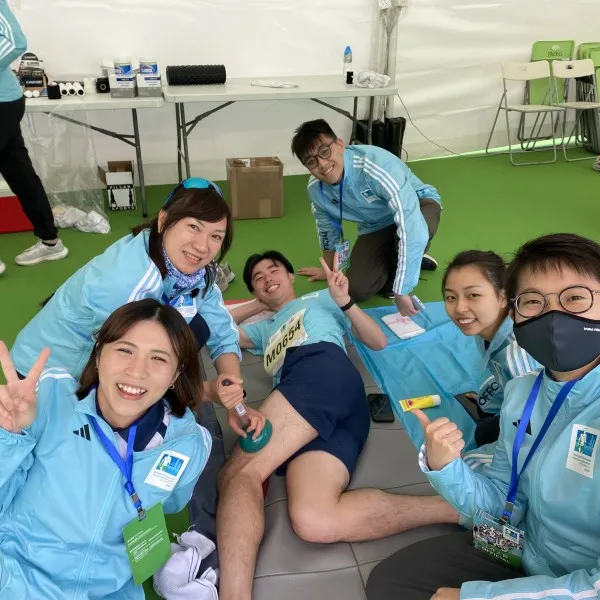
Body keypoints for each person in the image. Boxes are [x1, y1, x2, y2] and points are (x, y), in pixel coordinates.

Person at [367, 233, 600, 600]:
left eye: (575, 297)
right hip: (524, 545)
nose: (553, 316)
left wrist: (476, 597)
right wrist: (446, 468)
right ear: (514, 310)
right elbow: (502, 498)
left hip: (579, 580)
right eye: (534, 301)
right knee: (390, 582)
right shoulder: (523, 393)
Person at [216, 250, 461, 600]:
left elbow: (377, 341)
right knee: (314, 519)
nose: (268, 277)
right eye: (258, 277)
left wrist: (345, 302)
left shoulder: (322, 297)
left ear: (291, 275)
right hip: (329, 408)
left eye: (274, 270)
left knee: (240, 473)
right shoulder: (263, 328)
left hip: (319, 371)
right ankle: (456, 509)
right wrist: (259, 303)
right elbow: (214, 324)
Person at [10, 177, 264, 438]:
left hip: (99, 353)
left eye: (215, 236)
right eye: (193, 227)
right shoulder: (128, 283)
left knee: (195, 327)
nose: (202, 246)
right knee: (136, 391)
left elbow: (221, 330)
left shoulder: (194, 270)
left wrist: (234, 399)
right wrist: (206, 391)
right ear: (164, 221)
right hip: (45, 375)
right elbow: (121, 370)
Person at [0, 299, 213, 599]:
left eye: (158, 358)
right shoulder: (50, 398)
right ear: (99, 355)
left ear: (175, 376)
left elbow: (172, 504)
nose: (137, 371)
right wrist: (8, 435)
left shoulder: (189, 444)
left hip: (109, 592)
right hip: (14, 578)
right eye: (125, 350)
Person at [291, 118, 442, 315]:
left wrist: (401, 291)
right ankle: (405, 257)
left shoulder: (377, 166)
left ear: (340, 144)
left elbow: (411, 228)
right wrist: (330, 271)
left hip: (418, 205)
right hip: (376, 224)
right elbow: (327, 229)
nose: (322, 164)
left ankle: (407, 259)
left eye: (325, 151)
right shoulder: (316, 190)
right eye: (311, 161)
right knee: (357, 289)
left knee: (411, 241)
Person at [443, 250, 539, 448]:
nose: (459, 308)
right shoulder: (486, 329)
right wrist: (489, 398)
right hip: (523, 392)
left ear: (503, 297)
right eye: (451, 297)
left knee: (484, 434)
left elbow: (535, 424)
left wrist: (473, 461)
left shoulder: (518, 354)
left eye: (473, 295)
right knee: (485, 405)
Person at [0, 0, 68, 274]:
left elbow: (15, 41)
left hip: (2, 102)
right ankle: (51, 242)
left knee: (20, 172)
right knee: (19, 172)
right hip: (6, 101)